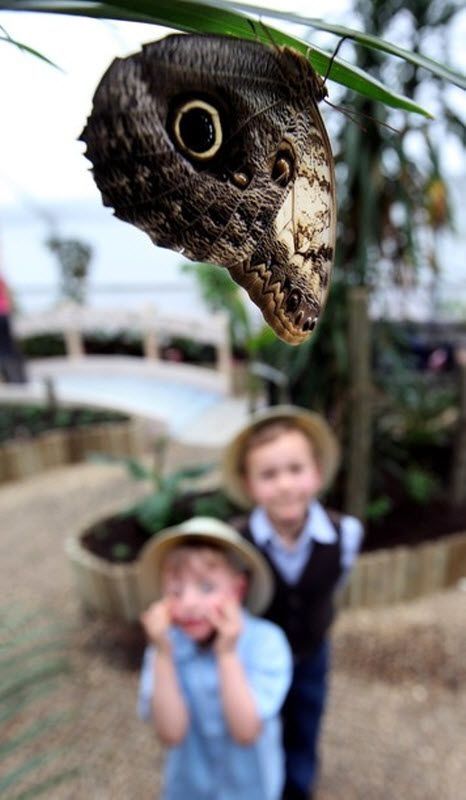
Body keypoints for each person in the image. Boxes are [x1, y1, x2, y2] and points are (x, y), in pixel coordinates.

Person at [222, 406, 364, 800]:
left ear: (316, 473)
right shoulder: (236, 544)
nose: (285, 485)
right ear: (250, 485)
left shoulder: (346, 534)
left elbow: (336, 584)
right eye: (269, 475)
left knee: (305, 720)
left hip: (311, 653)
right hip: (256, 659)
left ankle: (298, 789)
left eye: (295, 469)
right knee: (262, 725)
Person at [138, 516, 293, 800]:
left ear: (238, 589)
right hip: (189, 790)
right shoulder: (164, 648)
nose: (188, 604)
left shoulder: (266, 643)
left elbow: (246, 731)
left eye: (206, 588)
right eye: (175, 591)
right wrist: (162, 653)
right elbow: (171, 733)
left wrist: (227, 653)